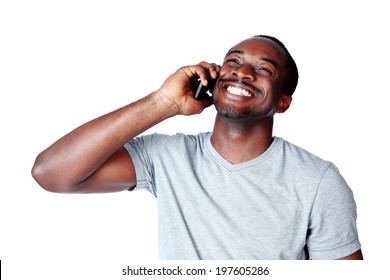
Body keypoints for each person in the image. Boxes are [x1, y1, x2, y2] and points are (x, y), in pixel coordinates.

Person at [31, 35, 363, 260]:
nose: (243, 73)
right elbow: (51, 173)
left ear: (283, 101)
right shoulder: (167, 158)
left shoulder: (317, 181)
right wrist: (163, 102)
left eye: (264, 70)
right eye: (233, 62)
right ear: (215, 78)